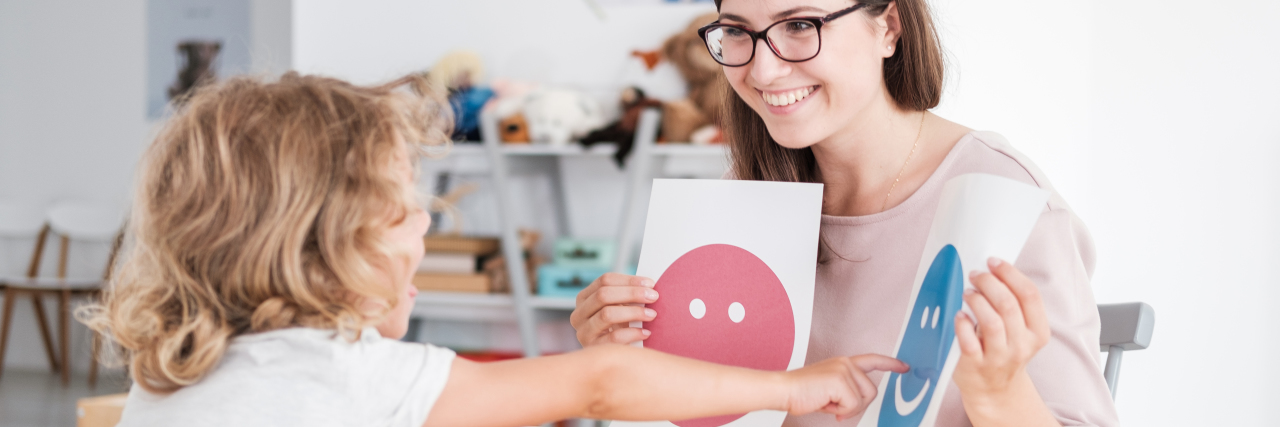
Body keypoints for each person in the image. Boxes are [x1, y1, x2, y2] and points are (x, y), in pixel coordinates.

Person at [84, 73, 910, 427]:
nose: (427, 229)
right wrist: (793, 387)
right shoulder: (338, 373)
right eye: (406, 212)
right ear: (322, 246)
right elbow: (603, 377)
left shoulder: (183, 376)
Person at [570, 1, 1119, 426]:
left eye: (800, 25)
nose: (762, 69)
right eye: (737, 30)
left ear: (889, 26)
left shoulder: (1003, 202)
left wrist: (1000, 392)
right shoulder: (746, 190)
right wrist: (623, 357)